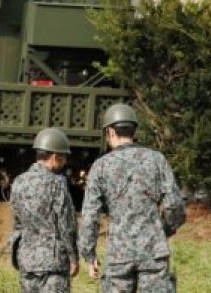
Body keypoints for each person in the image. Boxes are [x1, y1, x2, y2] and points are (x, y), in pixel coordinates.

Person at [79, 103, 186, 292]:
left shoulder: (100, 167)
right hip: (153, 252)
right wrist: (164, 230)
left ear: (110, 132)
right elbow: (174, 206)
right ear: (134, 131)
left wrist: (89, 254)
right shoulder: (156, 159)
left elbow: (90, 216)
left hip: (119, 255)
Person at [10, 127, 79, 293]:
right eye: (63, 158)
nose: (64, 162)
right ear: (55, 157)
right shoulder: (57, 183)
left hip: (27, 262)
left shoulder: (19, 182)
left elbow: (17, 222)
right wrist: (74, 257)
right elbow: (66, 224)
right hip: (53, 265)